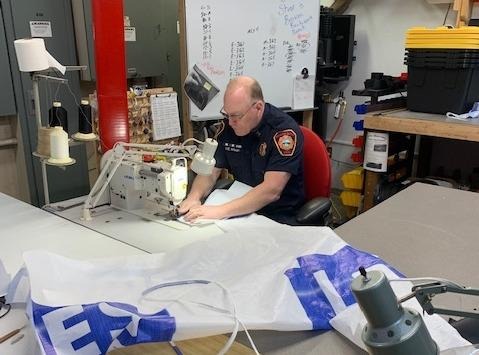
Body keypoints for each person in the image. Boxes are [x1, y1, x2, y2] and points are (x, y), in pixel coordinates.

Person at [179, 76, 305, 224]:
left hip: (278, 216)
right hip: (241, 210)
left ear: (258, 107)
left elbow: (271, 191)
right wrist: (194, 197)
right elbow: (210, 172)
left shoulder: (283, 133)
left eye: (236, 116)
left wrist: (219, 211)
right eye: (227, 114)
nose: (230, 122)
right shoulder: (228, 127)